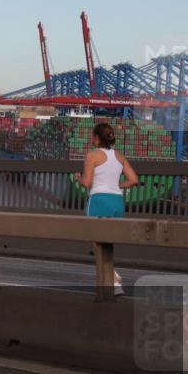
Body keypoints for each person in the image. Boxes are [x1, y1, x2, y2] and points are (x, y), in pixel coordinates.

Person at [75, 122, 139, 296]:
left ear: (96, 139)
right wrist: (118, 185)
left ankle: (114, 280)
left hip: (98, 200)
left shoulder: (92, 156)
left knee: (96, 242)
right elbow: (134, 180)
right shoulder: (119, 156)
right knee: (108, 242)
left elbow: (87, 183)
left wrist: (78, 178)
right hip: (117, 202)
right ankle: (112, 280)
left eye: (92, 136)